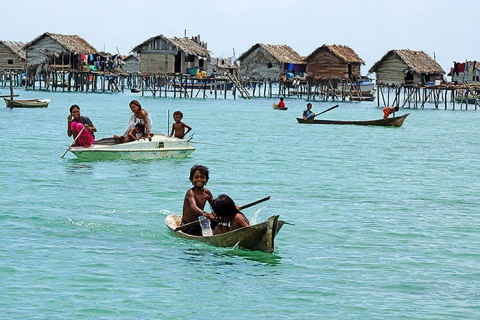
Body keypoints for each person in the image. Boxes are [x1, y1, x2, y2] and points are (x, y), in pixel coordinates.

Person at [181, 165, 214, 236]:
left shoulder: (207, 192)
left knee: (216, 221)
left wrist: (230, 208)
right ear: (191, 179)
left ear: (207, 179)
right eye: (196, 177)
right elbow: (193, 206)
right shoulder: (190, 192)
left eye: (202, 177)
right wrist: (204, 213)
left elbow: (215, 206)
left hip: (199, 221)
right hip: (187, 224)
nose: (199, 179)